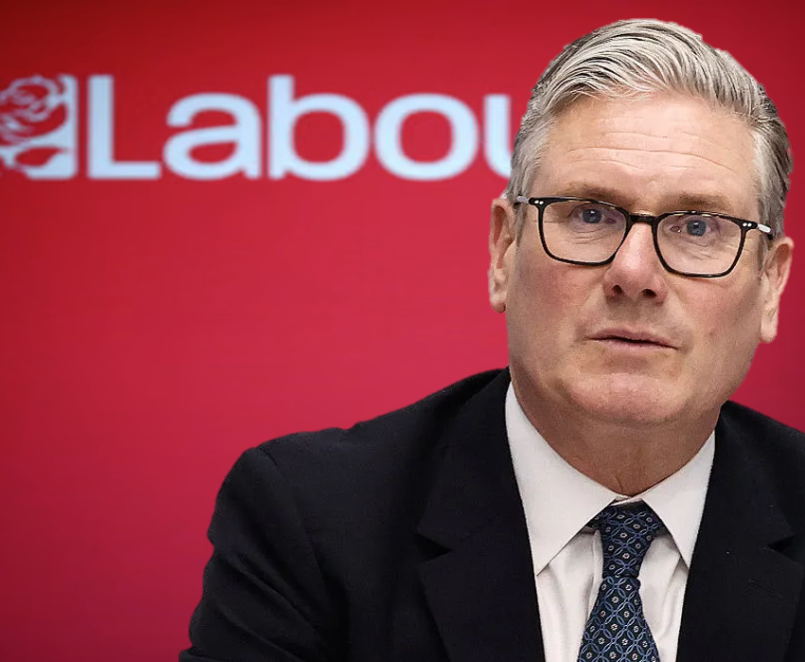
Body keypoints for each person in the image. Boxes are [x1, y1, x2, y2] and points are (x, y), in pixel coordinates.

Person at [181, 18, 803, 662]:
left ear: (770, 286)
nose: (634, 273)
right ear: (504, 250)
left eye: (698, 227)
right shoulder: (310, 521)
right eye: (589, 215)